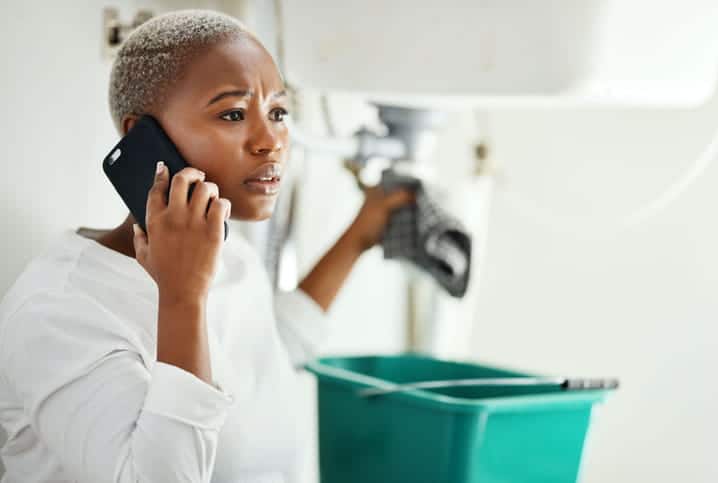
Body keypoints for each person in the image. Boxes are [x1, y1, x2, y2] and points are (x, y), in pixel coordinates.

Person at [0, 10, 412, 483]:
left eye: (278, 113)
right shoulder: (60, 312)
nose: (270, 142)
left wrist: (360, 235)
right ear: (141, 138)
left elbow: (270, 355)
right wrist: (181, 298)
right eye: (233, 114)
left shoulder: (225, 253)